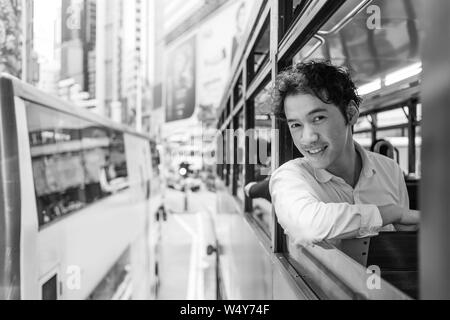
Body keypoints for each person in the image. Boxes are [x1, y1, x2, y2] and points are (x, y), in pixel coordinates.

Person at [269, 60, 419, 247]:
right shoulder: (289, 177)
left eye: (318, 118)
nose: (307, 138)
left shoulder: (390, 170)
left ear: (350, 113)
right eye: (296, 125)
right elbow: (308, 226)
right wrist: (392, 213)